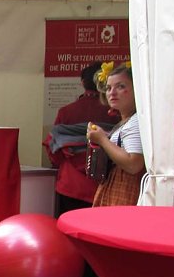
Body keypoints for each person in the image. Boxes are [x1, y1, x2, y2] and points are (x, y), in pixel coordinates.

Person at [46, 62, 120, 215]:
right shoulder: (116, 113)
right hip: (104, 183)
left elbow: (53, 150)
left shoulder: (66, 112)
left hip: (71, 184)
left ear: (82, 83)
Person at [86, 63, 145, 207]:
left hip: (125, 191)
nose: (112, 93)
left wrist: (102, 140)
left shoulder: (136, 121)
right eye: (108, 88)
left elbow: (134, 164)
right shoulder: (127, 121)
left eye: (120, 86)